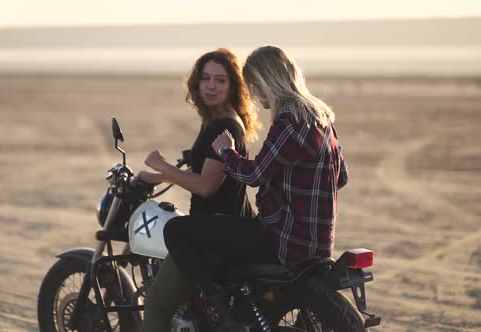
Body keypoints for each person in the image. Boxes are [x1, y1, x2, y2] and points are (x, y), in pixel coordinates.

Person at [163, 45, 349, 328]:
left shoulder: (289, 118)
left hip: (284, 239)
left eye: (253, 86)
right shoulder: (321, 116)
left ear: (266, 81)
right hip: (320, 242)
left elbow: (254, 174)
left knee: (176, 229)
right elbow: (342, 176)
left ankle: (212, 305)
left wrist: (226, 151)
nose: (252, 94)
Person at [137, 48, 260, 332]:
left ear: (233, 86)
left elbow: (206, 187)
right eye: (206, 78)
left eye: (220, 80)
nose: (211, 86)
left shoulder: (225, 125)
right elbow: (209, 173)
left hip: (213, 233)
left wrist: (163, 165)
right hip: (227, 224)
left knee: (156, 306)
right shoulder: (217, 120)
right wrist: (159, 176)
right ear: (196, 82)